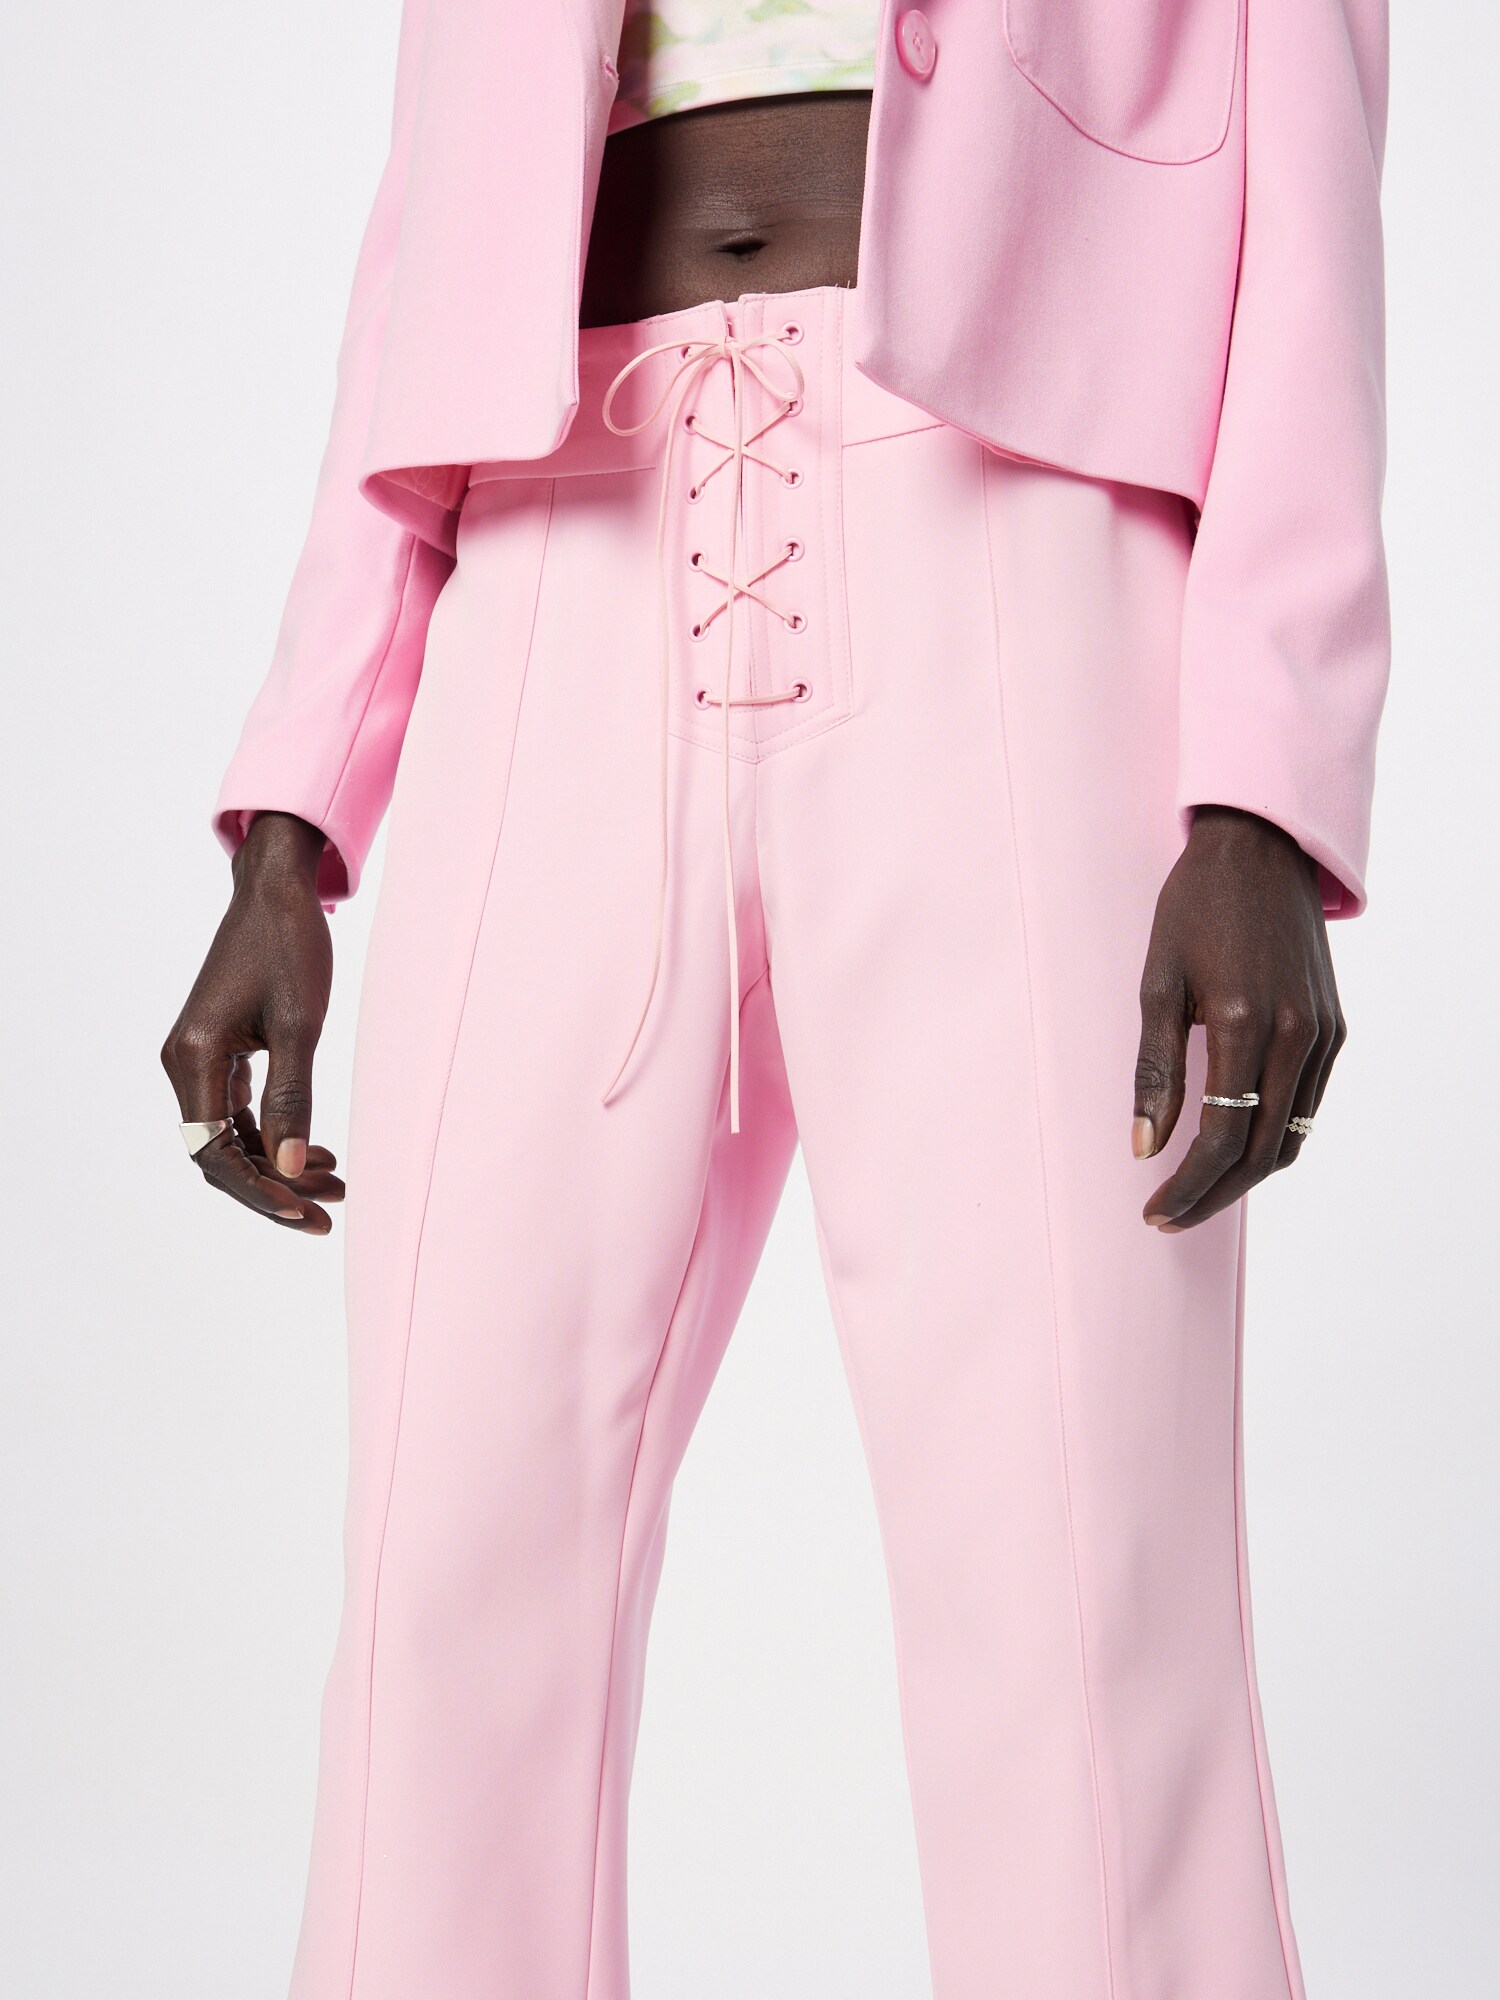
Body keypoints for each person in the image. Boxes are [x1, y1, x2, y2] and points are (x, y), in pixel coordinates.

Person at [161, 4, 1390, 1996]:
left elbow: (1311, 231)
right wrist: (292, 819)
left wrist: (1261, 790)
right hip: (550, 553)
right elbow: (430, 237)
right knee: (442, 1569)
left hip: (1020, 547)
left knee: (1077, 1577)